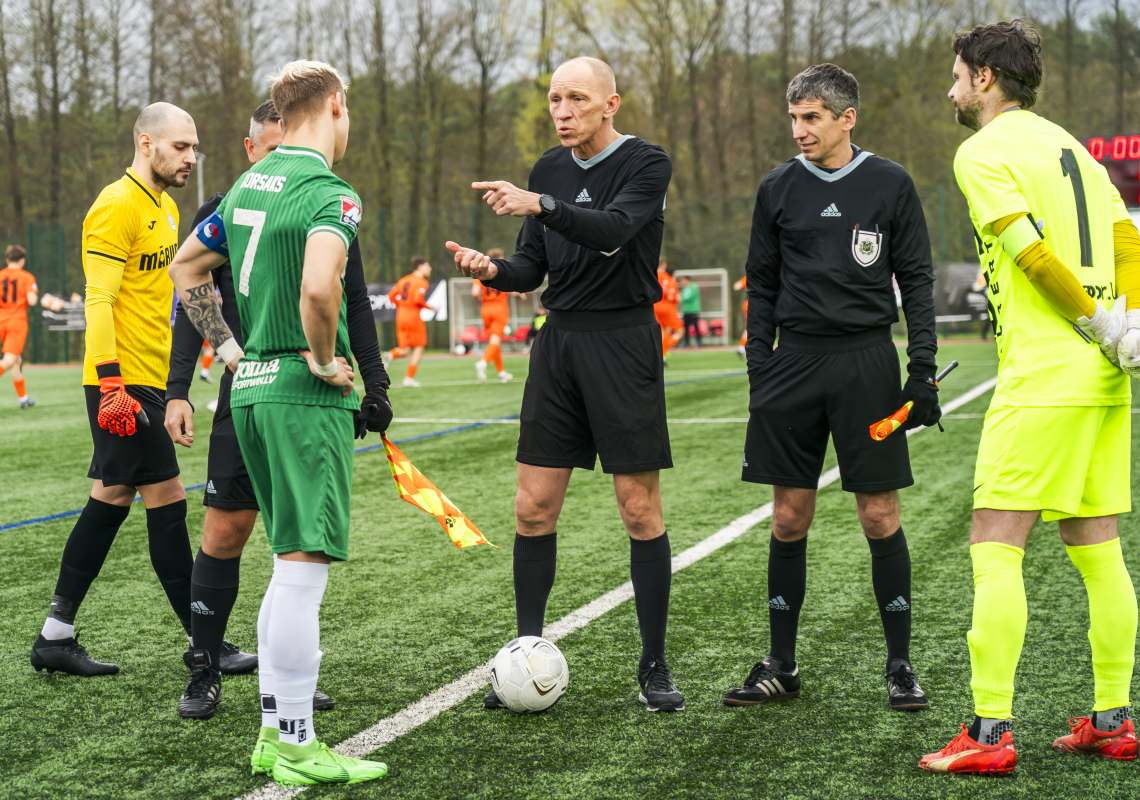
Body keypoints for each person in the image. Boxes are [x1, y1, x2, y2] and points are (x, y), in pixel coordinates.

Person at [921, 20, 1140, 774]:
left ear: (986, 77)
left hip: (1046, 375)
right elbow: (1129, 241)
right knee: (1098, 546)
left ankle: (987, 733)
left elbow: (1033, 255)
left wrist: (1091, 319)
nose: (951, 90)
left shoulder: (981, 151)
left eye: (957, 75)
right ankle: (1113, 718)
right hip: (1105, 377)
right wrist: (1128, 322)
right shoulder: (1073, 146)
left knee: (995, 541)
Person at [169, 59, 389, 786]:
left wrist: (229, 350)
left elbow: (186, 267)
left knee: (284, 564)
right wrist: (328, 361)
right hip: (301, 393)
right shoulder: (333, 192)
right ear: (333, 105)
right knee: (301, 568)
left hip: (252, 388)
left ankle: (273, 732)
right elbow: (321, 285)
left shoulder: (246, 185)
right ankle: (297, 741)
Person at [446, 56, 684, 713]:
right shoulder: (548, 169)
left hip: (624, 343)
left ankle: (655, 665)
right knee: (532, 508)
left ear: (612, 104)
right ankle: (524, 656)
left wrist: (542, 204)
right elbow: (532, 265)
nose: (562, 110)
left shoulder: (646, 164)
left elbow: (610, 232)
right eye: (554, 99)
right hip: (559, 345)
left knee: (638, 509)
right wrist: (492, 268)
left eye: (577, 98)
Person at [723, 64, 940, 713]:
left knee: (879, 515)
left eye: (812, 117)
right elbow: (759, 282)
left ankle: (900, 664)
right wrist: (759, 364)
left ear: (847, 118)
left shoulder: (889, 182)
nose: (800, 129)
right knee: (789, 516)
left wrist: (921, 369)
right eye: (793, 117)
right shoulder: (777, 188)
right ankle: (781, 665)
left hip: (866, 362)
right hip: (793, 366)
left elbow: (918, 281)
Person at [28, 104, 253, 677]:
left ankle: (56, 634)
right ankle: (207, 641)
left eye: (195, 147)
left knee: (111, 498)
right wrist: (109, 384)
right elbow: (98, 301)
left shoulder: (169, 208)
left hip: (149, 381)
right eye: (181, 147)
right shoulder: (114, 205)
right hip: (119, 383)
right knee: (169, 500)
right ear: (146, 142)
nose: (191, 157)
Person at [472, 247, 525, 383]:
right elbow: (514, 292)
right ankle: (483, 363)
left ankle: (502, 373)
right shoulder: (502, 272)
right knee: (495, 342)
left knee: (494, 343)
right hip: (499, 310)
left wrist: (481, 300)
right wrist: (521, 296)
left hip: (485, 310)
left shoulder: (482, 272)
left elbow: (474, 292)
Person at [383, 257, 434, 387]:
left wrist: (401, 304)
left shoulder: (404, 280)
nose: (430, 268)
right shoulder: (422, 282)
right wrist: (429, 307)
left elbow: (391, 296)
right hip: (413, 316)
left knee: (405, 350)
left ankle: (389, 355)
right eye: (428, 266)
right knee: (419, 346)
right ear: (420, 267)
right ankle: (408, 378)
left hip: (401, 315)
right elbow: (417, 299)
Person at [0, 244, 38, 408]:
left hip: (2, 321)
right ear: (22, 261)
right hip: (17, 322)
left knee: (17, 360)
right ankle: (23, 399)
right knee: (9, 360)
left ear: (8, 259)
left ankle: (23, 399)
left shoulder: (0, 275)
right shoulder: (27, 277)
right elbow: (32, 301)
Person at [654, 258, 683, 363]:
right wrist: (677, 297)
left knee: (659, 332)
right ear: (664, 265)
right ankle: (663, 351)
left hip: (653, 307)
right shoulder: (667, 278)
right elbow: (671, 296)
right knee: (678, 331)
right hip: (667, 308)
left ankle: (661, 354)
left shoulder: (650, 275)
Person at [679, 274, 701, 347]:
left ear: (687, 280)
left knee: (696, 327)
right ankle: (686, 342)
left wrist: (681, 299)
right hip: (686, 310)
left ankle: (698, 342)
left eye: (683, 281)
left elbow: (689, 297)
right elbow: (682, 297)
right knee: (685, 328)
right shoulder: (684, 289)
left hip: (694, 310)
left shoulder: (694, 287)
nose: (682, 282)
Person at [733, 276, 747, 358]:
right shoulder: (750, 277)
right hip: (751, 304)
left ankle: (741, 348)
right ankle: (741, 348)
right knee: (750, 327)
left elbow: (736, 286)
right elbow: (736, 286)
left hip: (750, 303)